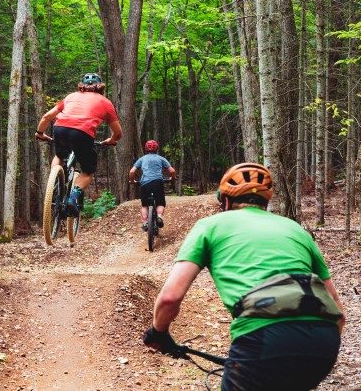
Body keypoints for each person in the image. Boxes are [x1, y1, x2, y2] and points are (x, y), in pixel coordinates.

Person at [143, 162, 345, 391]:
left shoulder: (209, 226)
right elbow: (338, 310)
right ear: (265, 203)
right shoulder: (295, 229)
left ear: (226, 202)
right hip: (323, 342)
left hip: (263, 336)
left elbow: (170, 297)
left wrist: (158, 332)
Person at [34, 73, 122, 216]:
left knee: (59, 155)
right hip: (83, 133)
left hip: (60, 128)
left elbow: (47, 116)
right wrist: (112, 140)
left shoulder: (70, 97)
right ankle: (74, 196)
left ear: (82, 85)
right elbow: (118, 133)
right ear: (100, 87)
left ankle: (55, 183)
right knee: (87, 171)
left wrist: (39, 133)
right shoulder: (105, 102)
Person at [128, 140, 176, 232]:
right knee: (160, 203)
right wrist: (172, 178)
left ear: (146, 149)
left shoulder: (142, 159)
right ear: (157, 149)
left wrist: (132, 181)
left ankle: (145, 223)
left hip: (145, 184)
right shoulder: (161, 159)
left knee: (144, 205)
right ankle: (159, 217)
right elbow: (172, 171)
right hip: (158, 183)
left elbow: (132, 171)